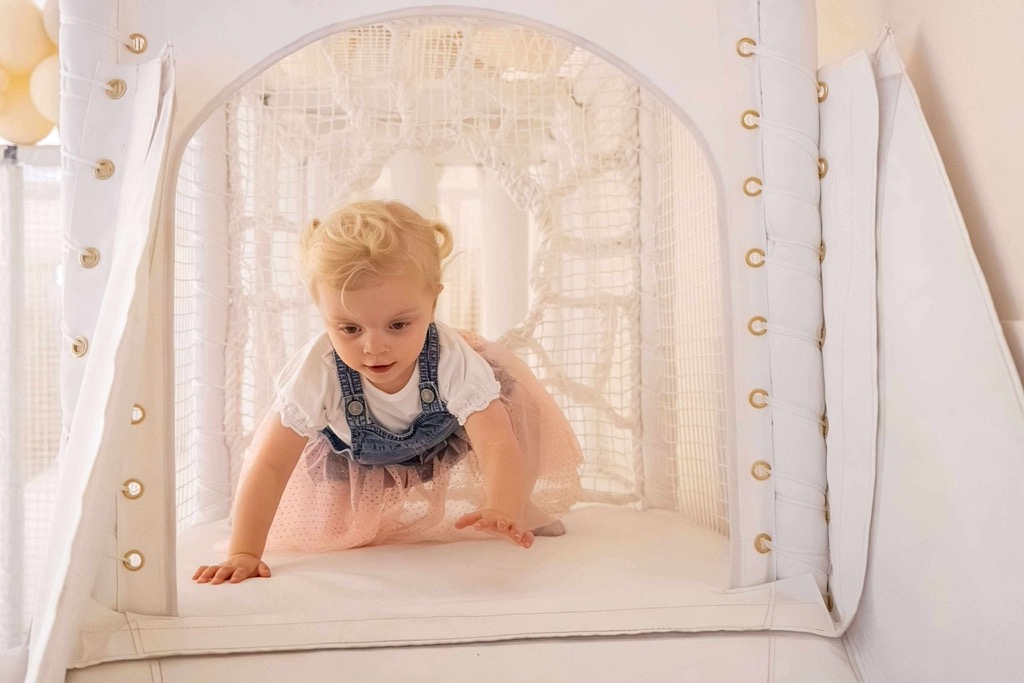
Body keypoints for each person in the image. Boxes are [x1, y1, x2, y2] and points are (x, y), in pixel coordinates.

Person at [194, 200, 582, 584]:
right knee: (340, 529)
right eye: (349, 329)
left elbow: (496, 443)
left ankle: (516, 506)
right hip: (356, 456)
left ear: (432, 303)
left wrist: (502, 504)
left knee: (510, 415)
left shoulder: (450, 358)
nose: (373, 347)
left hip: (446, 436)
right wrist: (244, 552)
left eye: (397, 325)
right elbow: (271, 465)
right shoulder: (319, 369)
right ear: (321, 310)